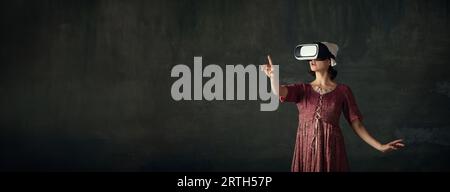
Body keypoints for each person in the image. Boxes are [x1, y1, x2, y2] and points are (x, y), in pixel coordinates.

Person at [261, 42, 405, 172]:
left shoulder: (343, 91)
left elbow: (357, 125)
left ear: (329, 61)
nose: (312, 60)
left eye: (317, 57)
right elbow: (279, 91)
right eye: (310, 58)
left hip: (331, 151)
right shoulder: (302, 89)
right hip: (306, 151)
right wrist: (273, 76)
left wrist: (380, 146)